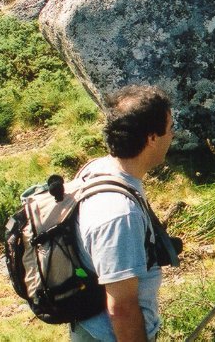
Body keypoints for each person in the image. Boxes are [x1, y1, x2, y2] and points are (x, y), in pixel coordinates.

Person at [72, 85, 175, 342]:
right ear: (152, 138)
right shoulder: (120, 215)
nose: (173, 135)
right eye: (171, 127)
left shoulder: (98, 168)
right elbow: (122, 309)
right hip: (109, 336)